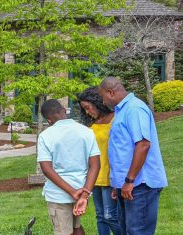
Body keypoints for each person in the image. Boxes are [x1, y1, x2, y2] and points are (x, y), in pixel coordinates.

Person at [98, 77, 168, 235]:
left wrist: (129, 181)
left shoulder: (134, 109)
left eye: (103, 97)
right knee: (126, 231)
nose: (103, 102)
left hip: (140, 185)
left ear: (111, 92)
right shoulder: (122, 111)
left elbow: (143, 144)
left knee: (137, 232)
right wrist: (118, 183)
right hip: (127, 186)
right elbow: (122, 149)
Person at [37, 99, 101, 235]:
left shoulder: (45, 136)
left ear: (48, 120)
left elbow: (46, 169)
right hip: (81, 189)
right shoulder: (86, 132)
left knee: (64, 231)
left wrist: (72, 192)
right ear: (64, 111)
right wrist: (84, 194)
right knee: (76, 227)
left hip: (58, 195)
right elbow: (95, 165)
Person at [77, 87, 121, 235]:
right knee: (100, 216)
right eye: (85, 110)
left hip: (110, 177)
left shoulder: (116, 119)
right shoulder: (92, 125)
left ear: (97, 102)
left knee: (110, 216)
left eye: (88, 108)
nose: (88, 112)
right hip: (94, 177)